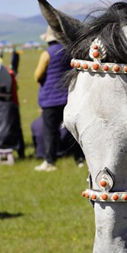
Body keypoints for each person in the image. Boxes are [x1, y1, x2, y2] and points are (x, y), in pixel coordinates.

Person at [33, 26, 76, 172]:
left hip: (50, 99)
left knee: (50, 131)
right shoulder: (68, 52)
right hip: (68, 96)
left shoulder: (47, 53)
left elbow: (38, 75)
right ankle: (79, 159)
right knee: (71, 130)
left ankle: (50, 161)